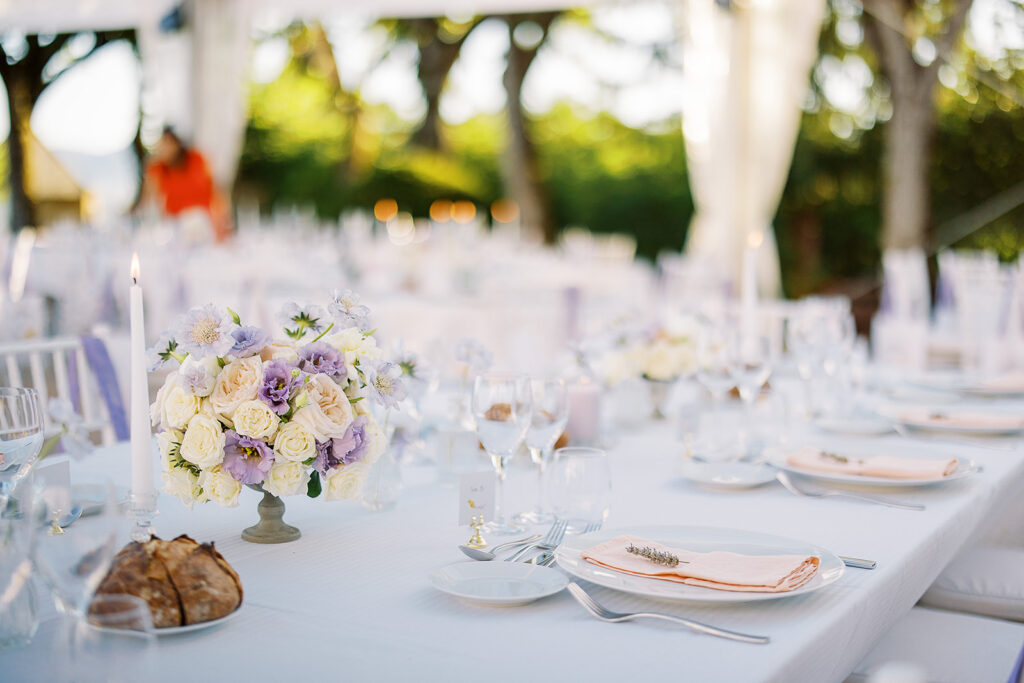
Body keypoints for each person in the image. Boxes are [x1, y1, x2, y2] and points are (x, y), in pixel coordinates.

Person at [136, 127, 231, 243]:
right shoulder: (157, 167)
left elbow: (215, 190)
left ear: (176, 144)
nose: (164, 149)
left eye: (168, 144)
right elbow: (147, 199)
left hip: (201, 220)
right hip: (174, 224)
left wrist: (222, 221)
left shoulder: (196, 158)